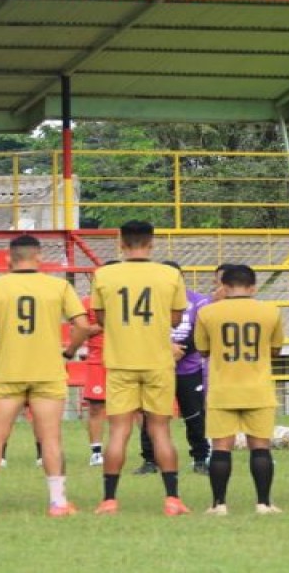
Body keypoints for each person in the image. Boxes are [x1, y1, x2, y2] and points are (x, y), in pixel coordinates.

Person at [0, 235, 93, 516]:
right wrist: (69, 351)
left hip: (9, 370)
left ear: (9, 258)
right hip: (47, 371)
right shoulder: (59, 286)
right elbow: (83, 326)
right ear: (39, 257)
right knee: (51, 439)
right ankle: (58, 503)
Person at [90, 221, 190, 516]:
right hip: (158, 361)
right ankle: (172, 499)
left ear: (121, 243)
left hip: (121, 362)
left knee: (119, 431)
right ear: (151, 243)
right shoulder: (170, 274)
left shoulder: (104, 274)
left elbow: (101, 318)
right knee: (160, 430)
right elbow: (175, 319)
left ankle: (109, 500)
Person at [194, 264, 284, 515]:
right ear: (253, 287)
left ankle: (219, 504)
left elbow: (203, 350)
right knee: (261, 446)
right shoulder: (271, 311)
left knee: (221, 447)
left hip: (223, 389)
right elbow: (276, 349)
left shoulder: (207, 313)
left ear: (223, 286)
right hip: (258, 389)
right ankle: (264, 503)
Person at [136, 262, 210, 476]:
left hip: (188, 369)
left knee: (194, 416)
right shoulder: (149, 301)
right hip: (156, 368)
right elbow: (143, 331)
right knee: (151, 415)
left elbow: (201, 333)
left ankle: (200, 458)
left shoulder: (199, 301)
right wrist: (165, 351)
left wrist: (180, 351)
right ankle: (150, 460)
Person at [79, 293, 106, 466]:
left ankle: (149, 455)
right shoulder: (86, 302)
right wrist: (106, 323)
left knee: (137, 408)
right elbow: (80, 331)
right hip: (98, 360)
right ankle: (96, 453)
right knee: (96, 407)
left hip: (125, 358)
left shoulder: (124, 298)